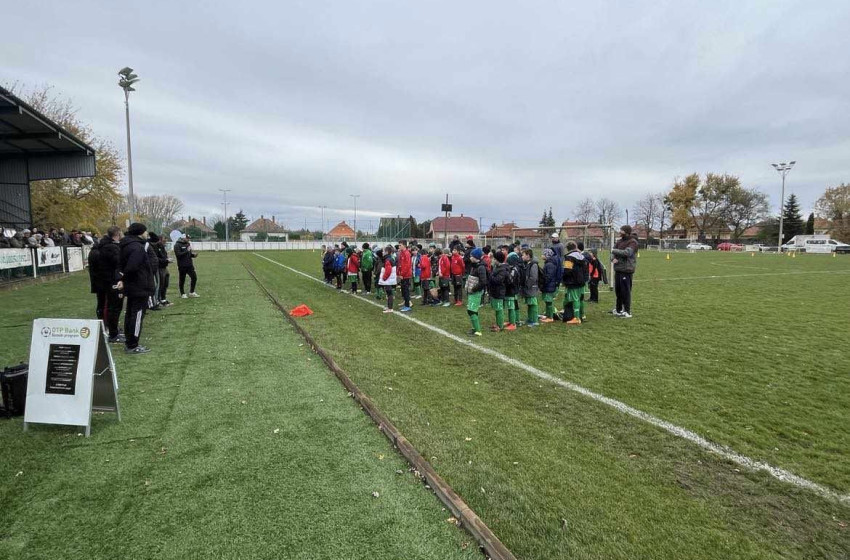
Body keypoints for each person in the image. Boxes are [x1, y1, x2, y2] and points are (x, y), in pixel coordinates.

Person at [119, 223, 155, 354]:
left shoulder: (125, 245)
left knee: (130, 313)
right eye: (145, 232)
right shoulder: (137, 247)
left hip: (132, 286)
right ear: (140, 232)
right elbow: (132, 267)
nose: (147, 234)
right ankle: (133, 344)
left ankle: (129, 341)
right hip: (140, 286)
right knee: (137, 314)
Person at [89, 226, 124, 343]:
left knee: (106, 305)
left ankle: (109, 328)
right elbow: (116, 264)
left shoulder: (99, 248)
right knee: (110, 306)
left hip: (101, 281)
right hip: (107, 281)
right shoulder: (110, 248)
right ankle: (110, 330)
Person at [611, 225, 638, 318]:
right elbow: (612, 253)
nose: (620, 232)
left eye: (621, 230)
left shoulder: (632, 242)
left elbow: (628, 253)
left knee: (625, 291)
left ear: (626, 232)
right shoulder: (619, 241)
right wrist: (613, 259)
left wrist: (614, 251)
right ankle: (618, 309)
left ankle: (627, 311)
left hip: (626, 270)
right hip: (618, 269)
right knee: (618, 291)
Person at [562, 241, 586, 325]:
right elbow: (585, 270)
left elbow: (567, 270)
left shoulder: (569, 257)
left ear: (567, 248)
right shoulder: (582, 256)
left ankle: (576, 318)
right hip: (581, 281)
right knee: (580, 298)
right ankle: (582, 315)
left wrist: (564, 280)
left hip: (572, 281)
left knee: (575, 298)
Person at [465, 248, 487, 336]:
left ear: (476, 257)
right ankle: (474, 328)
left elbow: (483, 281)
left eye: (471, 256)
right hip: (471, 292)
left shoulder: (481, 267)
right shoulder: (474, 265)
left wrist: (474, 289)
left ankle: (478, 331)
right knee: (471, 310)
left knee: (471, 310)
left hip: (476, 292)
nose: (470, 257)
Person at [488, 250, 509, 332]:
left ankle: (500, 326)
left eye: (494, 259)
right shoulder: (497, 268)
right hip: (495, 291)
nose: (493, 260)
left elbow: (497, 280)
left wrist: (490, 275)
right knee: (496, 309)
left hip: (499, 292)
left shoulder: (503, 269)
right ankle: (497, 323)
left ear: (497, 260)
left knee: (499, 309)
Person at [520, 249, 540, 327]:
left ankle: (535, 320)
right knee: (529, 304)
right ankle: (530, 318)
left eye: (523, 255)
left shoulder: (533, 264)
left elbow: (533, 277)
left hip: (532, 287)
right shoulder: (527, 263)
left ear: (528, 256)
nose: (522, 256)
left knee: (533, 304)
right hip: (528, 288)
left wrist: (527, 284)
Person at [540, 248, 560, 323]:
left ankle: (550, 317)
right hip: (548, 286)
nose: (541, 255)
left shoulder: (549, 264)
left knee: (549, 302)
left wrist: (543, 283)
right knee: (547, 301)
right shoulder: (548, 263)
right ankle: (548, 314)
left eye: (543, 254)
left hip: (549, 286)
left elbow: (548, 276)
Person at [504, 252, 522, 330]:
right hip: (512, 290)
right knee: (513, 305)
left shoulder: (514, 269)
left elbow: (510, 280)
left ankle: (513, 323)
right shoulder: (514, 268)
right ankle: (513, 320)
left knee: (511, 307)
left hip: (511, 291)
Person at [378, 245, 397, 313]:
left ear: (386, 252)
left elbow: (388, 270)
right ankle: (389, 306)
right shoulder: (388, 258)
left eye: (383, 251)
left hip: (388, 280)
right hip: (389, 279)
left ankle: (390, 308)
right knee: (389, 293)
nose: (382, 252)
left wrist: (384, 278)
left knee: (389, 293)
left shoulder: (388, 260)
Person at [154, 234, 172, 306]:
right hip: (159, 268)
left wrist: (167, 259)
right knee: (160, 284)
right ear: (160, 239)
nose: (166, 240)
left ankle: (163, 299)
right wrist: (166, 260)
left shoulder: (162, 247)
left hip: (164, 267)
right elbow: (156, 259)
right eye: (164, 239)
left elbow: (164, 257)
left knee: (165, 283)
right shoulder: (156, 247)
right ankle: (158, 300)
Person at [396, 240, 413, 312]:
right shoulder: (402, 253)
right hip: (402, 275)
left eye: (400, 245)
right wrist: (398, 273)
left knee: (406, 290)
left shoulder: (407, 253)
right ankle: (405, 304)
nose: (399, 246)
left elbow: (407, 265)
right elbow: (400, 265)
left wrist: (402, 274)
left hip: (406, 275)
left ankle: (407, 306)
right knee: (403, 290)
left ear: (404, 245)